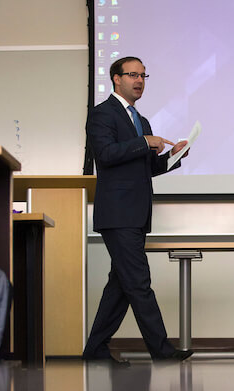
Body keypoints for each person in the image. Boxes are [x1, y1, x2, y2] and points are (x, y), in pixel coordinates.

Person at [83, 57, 193, 363]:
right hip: (117, 214)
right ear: (116, 79)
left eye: (143, 75)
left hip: (136, 213)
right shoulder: (102, 114)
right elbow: (105, 155)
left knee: (121, 285)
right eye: (133, 75)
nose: (139, 80)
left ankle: (94, 350)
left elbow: (147, 169)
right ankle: (162, 351)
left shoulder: (141, 120)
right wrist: (144, 142)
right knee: (139, 283)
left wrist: (174, 156)